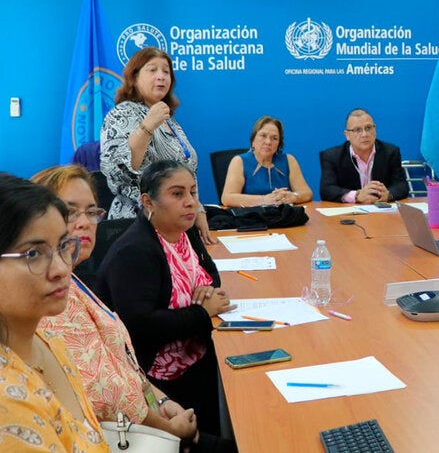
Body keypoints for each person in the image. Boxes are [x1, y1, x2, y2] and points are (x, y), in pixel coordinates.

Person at [33, 165, 226, 449]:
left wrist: (160, 400)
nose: (85, 222)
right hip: (132, 433)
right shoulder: (52, 301)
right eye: (70, 211)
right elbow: (107, 393)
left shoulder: (75, 282)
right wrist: (169, 426)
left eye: (91, 212)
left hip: (154, 401)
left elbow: (123, 363)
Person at [94, 160, 236, 441]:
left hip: (196, 355)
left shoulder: (186, 232)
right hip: (157, 379)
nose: (190, 202)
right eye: (177, 194)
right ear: (149, 201)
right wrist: (201, 312)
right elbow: (141, 327)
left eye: (193, 192)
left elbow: (211, 277)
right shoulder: (135, 252)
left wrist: (208, 291)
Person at [0, 173, 108, 451]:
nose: (62, 269)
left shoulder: (50, 342)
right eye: (33, 254)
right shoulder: (7, 406)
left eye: (62, 247)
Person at [100, 46, 215, 244]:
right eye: (152, 70)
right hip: (137, 228)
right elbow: (120, 171)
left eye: (166, 71)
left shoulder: (169, 120)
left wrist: (198, 209)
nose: (161, 76)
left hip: (175, 228)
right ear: (134, 78)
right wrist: (147, 126)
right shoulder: (122, 114)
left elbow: (186, 173)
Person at [319, 108, 408, 203]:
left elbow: (401, 185)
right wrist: (356, 196)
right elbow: (326, 189)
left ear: (375, 129)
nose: (365, 134)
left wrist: (389, 194)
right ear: (347, 135)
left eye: (368, 128)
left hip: (382, 211)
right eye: (357, 130)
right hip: (349, 212)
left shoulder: (390, 152)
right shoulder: (331, 156)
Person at [221, 116, 313, 207]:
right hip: (251, 218)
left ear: (279, 143)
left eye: (274, 138)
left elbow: (307, 193)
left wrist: (293, 197)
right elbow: (227, 198)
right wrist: (264, 200)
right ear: (253, 139)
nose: (268, 142)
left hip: (283, 218)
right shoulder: (239, 161)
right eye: (263, 136)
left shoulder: (289, 160)